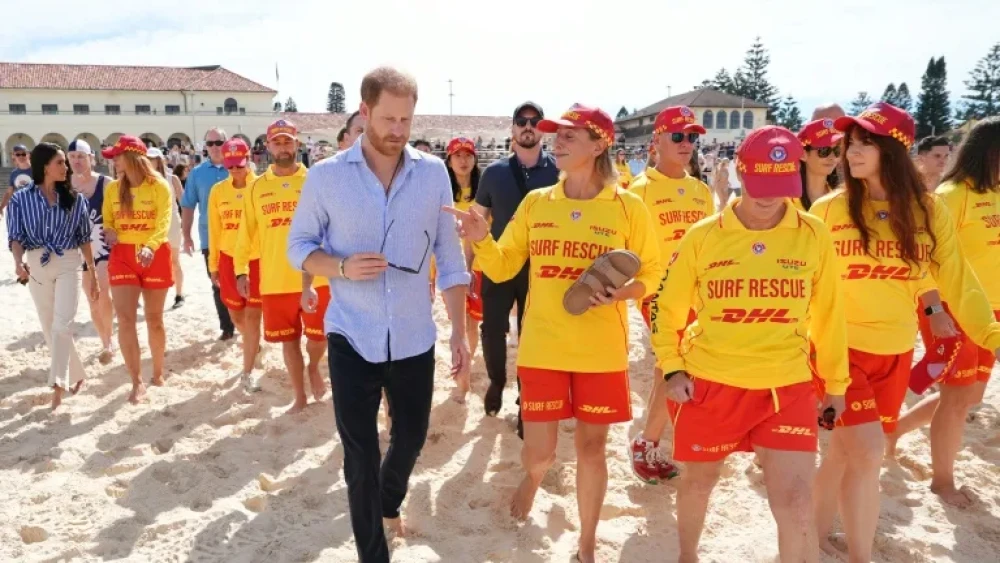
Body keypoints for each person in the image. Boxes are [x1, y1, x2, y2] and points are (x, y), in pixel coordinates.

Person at [448, 104, 659, 563]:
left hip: (601, 350)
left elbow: (655, 273)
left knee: (591, 448)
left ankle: (586, 544)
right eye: (554, 135)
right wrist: (481, 237)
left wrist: (624, 294)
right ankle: (535, 478)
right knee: (539, 453)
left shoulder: (629, 207)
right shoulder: (538, 203)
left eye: (568, 136)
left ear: (599, 144)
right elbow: (503, 265)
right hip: (542, 345)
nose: (556, 143)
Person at [287, 66, 470, 563]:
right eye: (388, 118)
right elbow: (298, 246)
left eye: (406, 120)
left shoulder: (433, 174)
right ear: (364, 112)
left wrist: (459, 332)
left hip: (414, 335)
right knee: (359, 456)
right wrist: (340, 267)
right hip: (351, 335)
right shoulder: (325, 177)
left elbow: (450, 258)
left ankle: (390, 500)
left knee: (410, 439)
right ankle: (373, 555)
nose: (398, 130)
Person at [809, 103, 1000, 562]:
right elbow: (803, 282)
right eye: (849, 144)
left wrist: (989, 334)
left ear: (893, 149)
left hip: (894, 352)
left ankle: (812, 537)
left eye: (864, 143)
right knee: (870, 453)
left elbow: (957, 280)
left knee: (843, 454)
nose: (850, 153)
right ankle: (861, 555)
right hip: (838, 352)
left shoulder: (927, 211)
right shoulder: (827, 211)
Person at [652, 125, 847, 563]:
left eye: (779, 186)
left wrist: (836, 383)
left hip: (786, 385)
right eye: (758, 184)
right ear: (741, 173)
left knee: (796, 503)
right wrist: (673, 367)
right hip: (711, 382)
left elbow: (831, 315)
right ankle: (688, 556)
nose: (767, 197)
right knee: (699, 483)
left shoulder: (814, 235)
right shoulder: (704, 236)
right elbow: (666, 309)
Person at [889, 116, 1000, 507]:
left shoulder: (997, 193)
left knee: (968, 395)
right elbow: (926, 259)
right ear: (991, 152)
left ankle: (894, 432)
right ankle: (942, 482)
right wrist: (935, 308)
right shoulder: (951, 196)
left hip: (992, 312)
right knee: (956, 396)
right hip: (956, 308)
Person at [627, 105, 714, 485]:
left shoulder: (701, 191)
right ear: (656, 142)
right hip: (659, 294)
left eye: (691, 137)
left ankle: (656, 440)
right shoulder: (638, 190)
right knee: (672, 361)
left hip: (700, 295)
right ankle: (647, 442)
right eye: (678, 136)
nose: (686, 143)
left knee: (679, 365)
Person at [471, 101, 559, 428]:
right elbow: (478, 219)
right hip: (500, 262)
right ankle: (496, 381)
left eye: (534, 121)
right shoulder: (493, 173)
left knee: (532, 335)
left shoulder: (557, 173)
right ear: (512, 129)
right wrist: (470, 265)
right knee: (492, 329)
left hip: (540, 269)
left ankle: (528, 401)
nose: (528, 126)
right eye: (521, 121)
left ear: (543, 129)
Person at [234, 119, 329, 414]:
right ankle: (299, 396)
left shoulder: (316, 181)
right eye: (277, 142)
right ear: (268, 147)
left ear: (297, 145)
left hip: (317, 278)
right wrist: (241, 270)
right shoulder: (256, 188)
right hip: (275, 278)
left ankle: (314, 366)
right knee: (288, 341)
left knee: (318, 337)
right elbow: (245, 231)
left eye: (288, 141)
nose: (283, 147)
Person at [7, 143, 99, 410]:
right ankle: (76, 371)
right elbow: (15, 237)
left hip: (70, 260)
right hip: (36, 263)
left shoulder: (76, 198)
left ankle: (58, 385)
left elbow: (84, 239)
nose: (66, 167)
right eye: (60, 162)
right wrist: (17, 262)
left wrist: (92, 272)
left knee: (62, 325)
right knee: (49, 325)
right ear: (45, 166)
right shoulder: (20, 199)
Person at [101, 135, 175, 404]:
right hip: (122, 256)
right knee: (126, 319)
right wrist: (109, 231)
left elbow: (163, 222)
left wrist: (150, 246)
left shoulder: (159, 186)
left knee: (155, 320)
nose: (113, 160)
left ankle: (157, 372)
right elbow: (107, 220)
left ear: (131, 157)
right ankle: (137, 381)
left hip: (154, 254)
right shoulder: (112, 189)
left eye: (117, 156)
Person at [207, 139, 263, 392]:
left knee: (252, 317)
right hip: (228, 258)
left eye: (240, 165)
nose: (235, 171)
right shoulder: (218, 191)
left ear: (249, 160)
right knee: (236, 315)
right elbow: (214, 230)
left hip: (256, 258)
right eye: (230, 167)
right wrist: (214, 264)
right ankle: (252, 343)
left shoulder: (262, 186)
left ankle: (247, 371)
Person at [181, 127, 236, 340]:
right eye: (210, 143)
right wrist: (186, 235)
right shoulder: (197, 174)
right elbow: (187, 206)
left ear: (226, 142)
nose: (214, 147)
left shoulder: (240, 168)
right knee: (218, 284)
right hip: (210, 239)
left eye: (218, 142)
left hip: (241, 237)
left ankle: (244, 323)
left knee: (244, 280)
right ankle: (228, 328)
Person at [67, 139, 116, 364]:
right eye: (73, 156)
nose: (76, 160)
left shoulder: (106, 183)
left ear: (91, 158)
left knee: (104, 293)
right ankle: (104, 338)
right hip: (78, 250)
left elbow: (120, 210)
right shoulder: (65, 185)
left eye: (81, 156)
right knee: (92, 298)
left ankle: (110, 342)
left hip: (104, 247)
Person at [445, 136, 484, 402]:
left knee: (472, 322)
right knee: (455, 323)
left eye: (468, 154)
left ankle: (465, 377)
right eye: (457, 155)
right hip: (448, 267)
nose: (463, 159)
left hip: (478, 266)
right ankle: (462, 374)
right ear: (448, 160)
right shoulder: (441, 191)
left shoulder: (484, 192)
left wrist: (470, 268)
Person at [147, 147, 186, 309]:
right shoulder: (143, 181)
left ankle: (179, 294)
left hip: (172, 224)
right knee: (152, 262)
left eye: (153, 159)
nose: (150, 162)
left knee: (174, 261)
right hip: (152, 227)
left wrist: (185, 223)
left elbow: (184, 202)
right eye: (148, 159)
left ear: (160, 160)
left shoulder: (172, 179)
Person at [796, 119, 843, 211]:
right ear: (803, 154)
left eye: (837, 150)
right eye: (824, 150)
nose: (832, 157)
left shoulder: (843, 199)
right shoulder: (785, 200)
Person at [1, 144, 33, 217]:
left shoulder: (36, 170)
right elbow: (9, 192)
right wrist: (1, 207)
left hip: (36, 207)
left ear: (28, 155)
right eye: (18, 154)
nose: (21, 156)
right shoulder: (14, 173)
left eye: (23, 154)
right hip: (21, 208)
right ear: (13, 156)